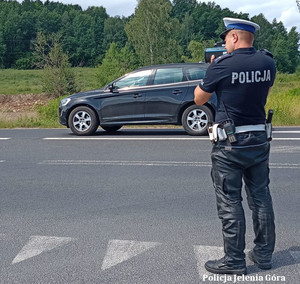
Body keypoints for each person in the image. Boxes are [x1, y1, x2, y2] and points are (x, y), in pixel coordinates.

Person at [194, 17, 276, 275]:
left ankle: (234, 261)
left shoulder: (221, 65)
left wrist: (212, 70)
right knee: (261, 198)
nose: (224, 42)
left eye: (226, 37)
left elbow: (199, 99)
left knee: (230, 201)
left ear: (235, 37)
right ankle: (263, 256)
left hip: (230, 143)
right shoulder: (268, 62)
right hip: (259, 139)